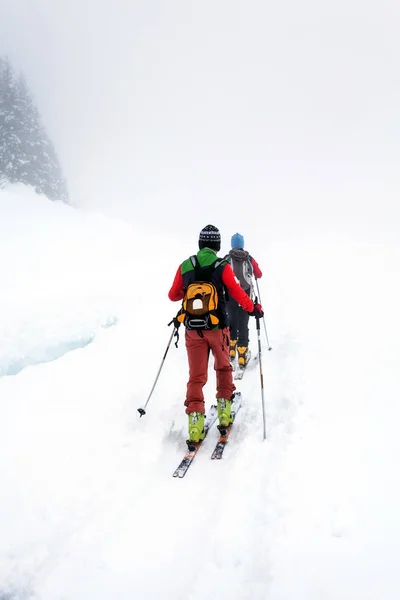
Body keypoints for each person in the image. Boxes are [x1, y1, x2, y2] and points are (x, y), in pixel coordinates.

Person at [168, 224, 263, 446]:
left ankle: (195, 425)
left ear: (201, 243)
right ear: (218, 245)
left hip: (193, 329)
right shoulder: (222, 266)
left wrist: (189, 290)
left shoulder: (186, 265)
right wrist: (253, 309)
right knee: (223, 368)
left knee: (196, 376)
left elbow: (173, 295)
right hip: (219, 329)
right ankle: (224, 413)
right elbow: (237, 293)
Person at [226, 233, 263, 367]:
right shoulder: (248, 258)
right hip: (245, 295)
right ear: (242, 244)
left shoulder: (226, 258)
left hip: (230, 295)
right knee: (243, 322)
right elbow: (259, 274)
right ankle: (242, 354)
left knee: (231, 321)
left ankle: (231, 350)